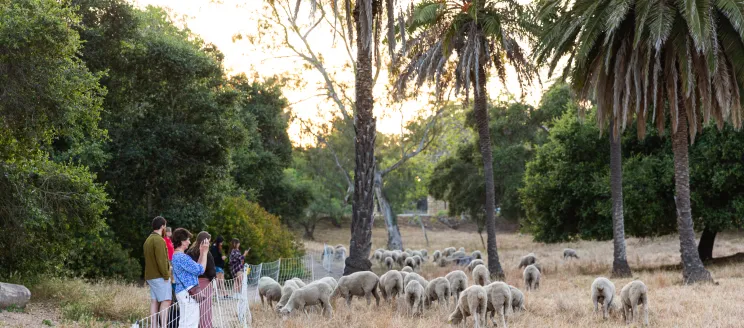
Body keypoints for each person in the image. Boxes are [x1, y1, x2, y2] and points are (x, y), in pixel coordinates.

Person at [171, 228, 209, 328]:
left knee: (184, 322)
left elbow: (196, 268)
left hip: (183, 293)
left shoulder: (177, 256)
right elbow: (200, 270)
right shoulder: (182, 257)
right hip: (188, 294)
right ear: (182, 241)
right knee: (190, 323)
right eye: (187, 239)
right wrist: (205, 253)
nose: (189, 242)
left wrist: (201, 252)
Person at [143, 216, 171, 328]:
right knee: (167, 301)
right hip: (159, 276)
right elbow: (161, 260)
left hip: (150, 276)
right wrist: (166, 275)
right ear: (163, 226)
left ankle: (154, 326)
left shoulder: (148, 239)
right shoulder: (159, 240)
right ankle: (163, 326)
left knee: (154, 301)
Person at [187, 232, 216, 328]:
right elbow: (212, 271)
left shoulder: (189, 252)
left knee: (194, 309)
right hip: (205, 284)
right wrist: (214, 280)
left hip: (192, 284)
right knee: (205, 309)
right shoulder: (207, 253)